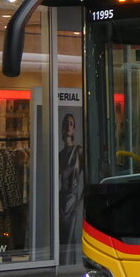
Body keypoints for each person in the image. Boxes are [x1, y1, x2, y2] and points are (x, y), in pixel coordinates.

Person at [58, 112, 84, 263]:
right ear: (62, 128)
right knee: (62, 239)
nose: (69, 126)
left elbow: (87, 180)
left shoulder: (78, 151)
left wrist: (79, 204)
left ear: (74, 129)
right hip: (62, 200)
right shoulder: (60, 154)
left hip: (73, 201)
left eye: (71, 124)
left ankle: (70, 265)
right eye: (66, 123)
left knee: (70, 237)